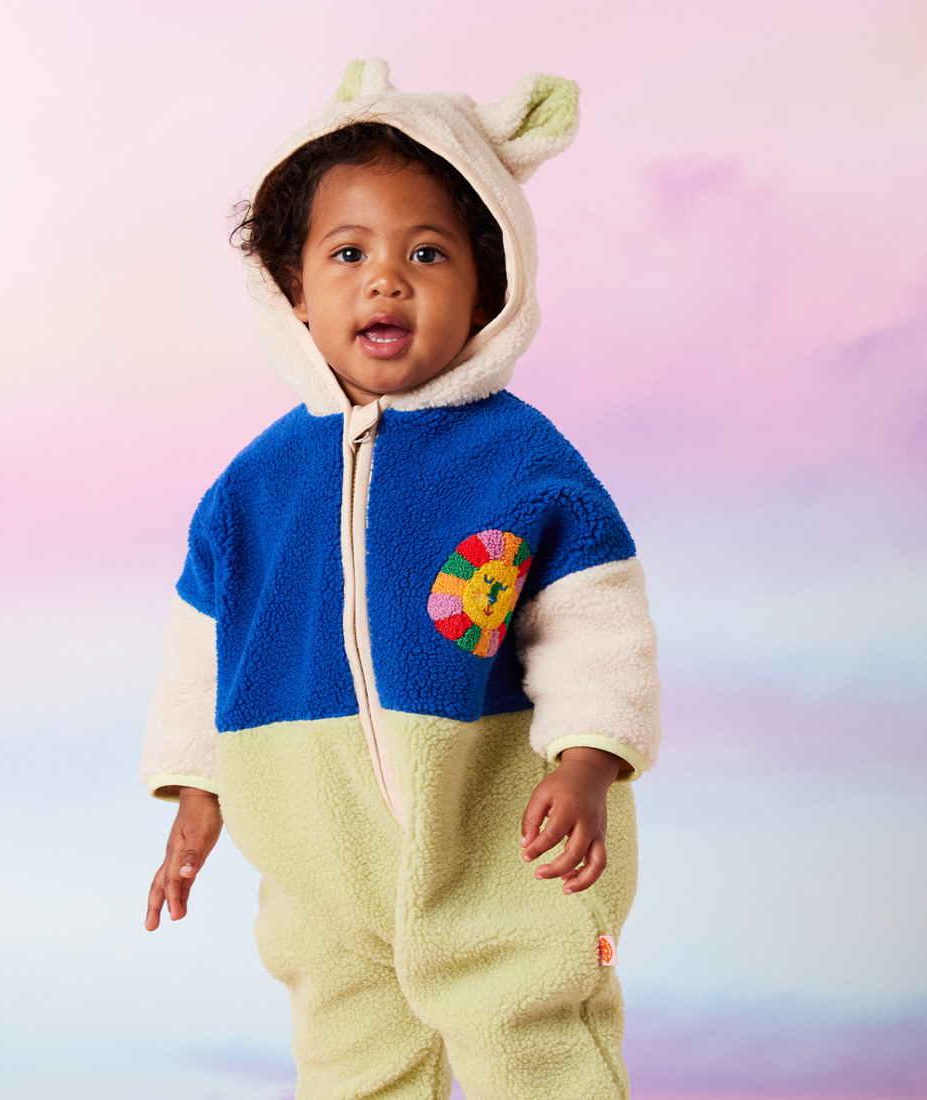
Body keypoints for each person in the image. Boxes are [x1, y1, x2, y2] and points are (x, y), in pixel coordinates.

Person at [140, 58, 660, 1100]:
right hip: (319, 859)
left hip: (499, 840)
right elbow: (204, 647)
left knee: (533, 1039)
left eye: (427, 252)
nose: (386, 279)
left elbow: (595, 619)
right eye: (348, 253)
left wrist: (588, 760)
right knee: (348, 1062)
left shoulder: (521, 463)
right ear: (293, 289)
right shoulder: (250, 490)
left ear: (488, 288)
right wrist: (197, 789)